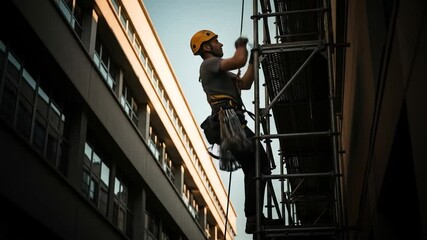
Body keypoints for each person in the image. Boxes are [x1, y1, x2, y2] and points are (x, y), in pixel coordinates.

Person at [190, 30, 271, 234]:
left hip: (234, 122)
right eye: (216, 41)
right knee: (258, 160)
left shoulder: (222, 72)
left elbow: (245, 83)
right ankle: (253, 216)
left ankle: (254, 217)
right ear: (207, 47)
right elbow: (238, 60)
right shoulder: (208, 64)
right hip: (230, 122)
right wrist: (241, 45)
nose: (220, 44)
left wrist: (253, 60)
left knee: (257, 163)